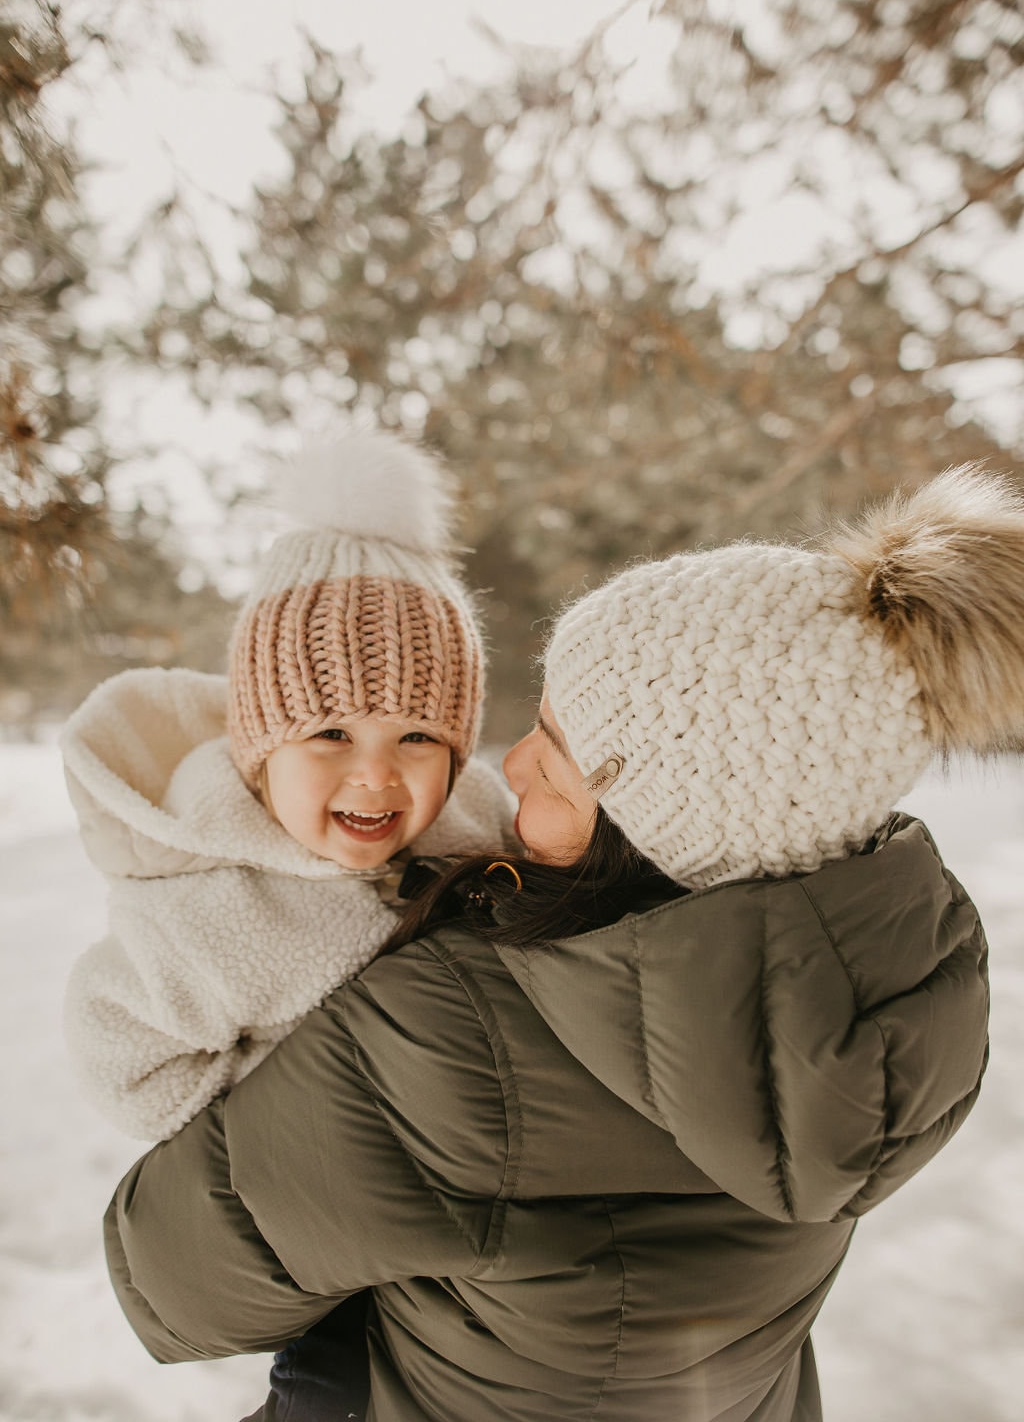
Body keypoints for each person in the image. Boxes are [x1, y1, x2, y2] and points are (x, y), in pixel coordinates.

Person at [102, 464, 1018, 1422]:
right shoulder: (881, 997)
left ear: (651, 830)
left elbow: (171, 1280)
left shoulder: (457, 1034)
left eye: (557, 752)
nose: (509, 764)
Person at [61, 428, 515, 1421]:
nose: (376, 772)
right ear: (262, 746)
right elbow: (120, 1050)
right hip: (332, 1258)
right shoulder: (211, 904)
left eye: (418, 737)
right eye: (329, 734)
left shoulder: (482, 829)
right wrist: (290, 1120)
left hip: (489, 1251)